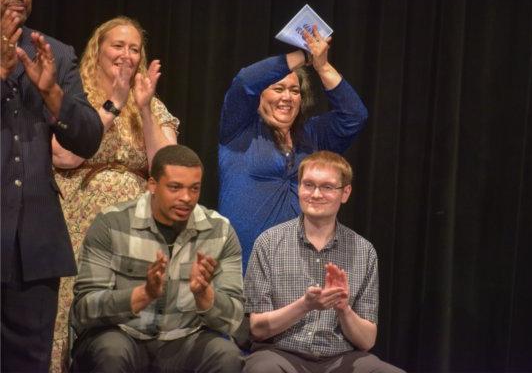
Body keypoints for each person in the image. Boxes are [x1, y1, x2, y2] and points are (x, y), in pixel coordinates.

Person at [49, 15, 179, 372]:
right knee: (66, 306)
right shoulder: (76, 97)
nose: (126, 54)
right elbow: (64, 154)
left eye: (134, 48)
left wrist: (143, 109)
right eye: (118, 45)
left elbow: (167, 166)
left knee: (124, 316)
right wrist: (115, 105)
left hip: (133, 228)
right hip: (77, 223)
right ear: (98, 50)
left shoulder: (149, 102)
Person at [0, 0, 104, 371]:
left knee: (29, 361)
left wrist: (54, 97)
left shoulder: (54, 54)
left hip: (33, 243)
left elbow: (89, 139)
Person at [70, 144, 244, 373]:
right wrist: (143, 295)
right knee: (111, 350)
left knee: (226, 355)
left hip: (184, 340)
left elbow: (234, 320)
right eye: (175, 187)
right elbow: (83, 310)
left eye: (194, 189)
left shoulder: (220, 231)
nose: (186, 198)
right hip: (124, 335)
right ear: (152, 185)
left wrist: (204, 295)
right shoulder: (112, 224)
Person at [219, 25, 368, 270]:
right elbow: (245, 80)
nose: (287, 97)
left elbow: (354, 116)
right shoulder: (239, 129)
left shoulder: (313, 135)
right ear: (259, 96)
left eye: (294, 90)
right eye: (278, 89)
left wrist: (322, 66)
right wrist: (305, 56)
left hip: (296, 275)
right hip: (242, 270)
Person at [243, 151, 405, 373]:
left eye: (327, 187)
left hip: (341, 359)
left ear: (345, 192)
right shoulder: (269, 243)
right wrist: (305, 305)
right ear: (298, 188)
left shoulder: (364, 251)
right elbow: (257, 329)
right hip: (280, 355)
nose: (316, 194)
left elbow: (367, 341)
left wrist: (343, 309)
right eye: (308, 185)